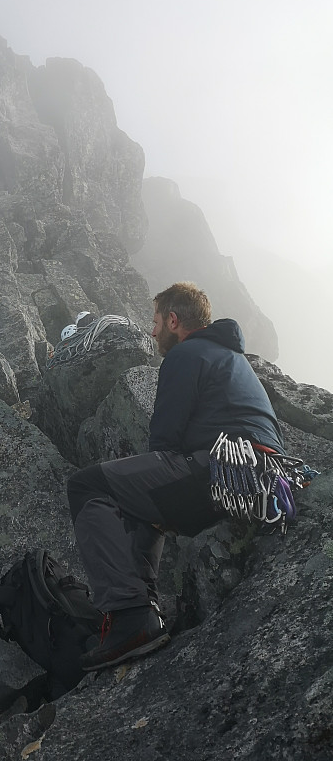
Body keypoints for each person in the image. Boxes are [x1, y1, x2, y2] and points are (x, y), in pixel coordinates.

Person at [67, 282, 284, 671]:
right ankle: (137, 613)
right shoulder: (232, 359)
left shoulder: (187, 354)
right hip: (265, 482)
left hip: (224, 473)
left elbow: (164, 443)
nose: (152, 333)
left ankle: (132, 617)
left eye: (155, 323)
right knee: (140, 494)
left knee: (88, 486)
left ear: (173, 320)